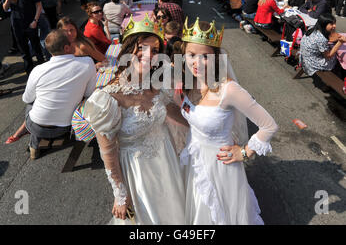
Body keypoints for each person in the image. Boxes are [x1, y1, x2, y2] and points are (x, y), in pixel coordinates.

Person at [82, 15, 186, 224]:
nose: (148, 55)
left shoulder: (157, 84)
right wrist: (120, 194)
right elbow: (108, 152)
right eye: (141, 48)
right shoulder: (108, 98)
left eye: (155, 51)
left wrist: (206, 127)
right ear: (128, 50)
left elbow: (174, 111)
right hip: (139, 174)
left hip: (167, 162)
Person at [175, 18, 278, 224]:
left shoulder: (228, 89)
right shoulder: (189, 82)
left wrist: (244, 152)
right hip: (196, 160)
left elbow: (269, 125)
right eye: (191, 55)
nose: (197, 62)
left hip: (220, 166)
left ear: (215, 57)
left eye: (205, 56)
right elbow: (188, 114)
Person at [17, 29, 96, 159]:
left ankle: (34, 146)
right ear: (66, 48)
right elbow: (89, 93)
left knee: (32, 101)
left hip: (36, 126)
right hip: (66, 126)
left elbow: (26, 98)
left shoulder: (38, 70)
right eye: (72, 43)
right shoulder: (87, 63)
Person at [1, 0, 45, 76]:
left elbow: (39, 6)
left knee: (36, 47)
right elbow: (5, 9)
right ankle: (29, 71)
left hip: (30, 22)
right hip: (16, 23)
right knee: (23, 50)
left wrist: (35, 21)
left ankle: (42, 70)